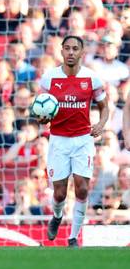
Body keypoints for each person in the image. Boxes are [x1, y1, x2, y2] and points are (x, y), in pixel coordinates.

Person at [38, 35, 109, 248]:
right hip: (58, 140)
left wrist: (101, 124)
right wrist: (42, 118)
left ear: (81, 52)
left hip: (83, 140)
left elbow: (104, 106)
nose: (70, 52)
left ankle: (73, 237)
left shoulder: (92, 79)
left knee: (82, 189)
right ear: (61, 51)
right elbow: (40, 108)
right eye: (67, 48)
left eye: (75, 48)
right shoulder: (49, 78)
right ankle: (57, 216)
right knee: (59, 193)